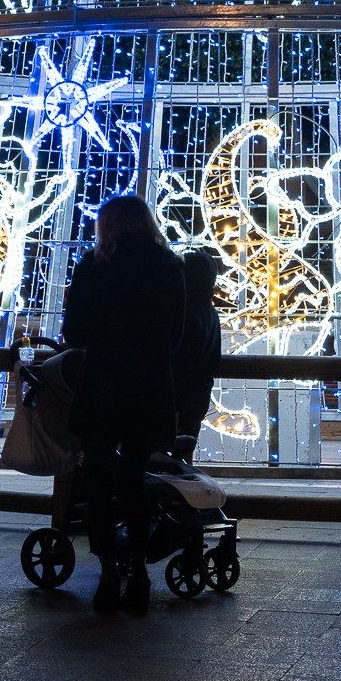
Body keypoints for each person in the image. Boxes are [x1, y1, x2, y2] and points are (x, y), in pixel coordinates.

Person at [61, 194, 185, 614]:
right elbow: (175, 336)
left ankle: (108, 570)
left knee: (97, 476)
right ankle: (139, 566)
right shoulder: (170, 267)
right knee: (134, 475)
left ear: (107, 226)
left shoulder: (94, 267)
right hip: (147, 387)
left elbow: (74, 331)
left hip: (102, 386)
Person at [171, 251, 222, 463]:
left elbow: (177, 352)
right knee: (185, 450)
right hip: (199, 392)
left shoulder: (183, 311)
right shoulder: (210, 313)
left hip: (176, 394)